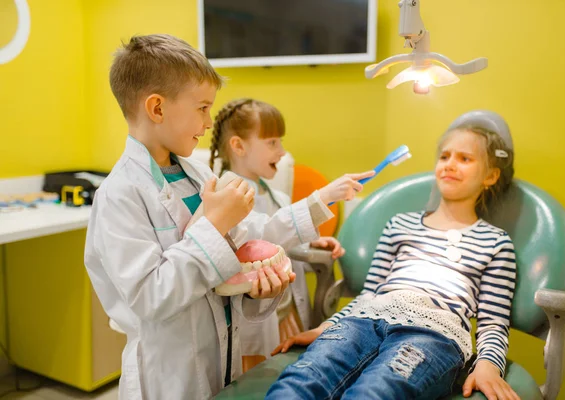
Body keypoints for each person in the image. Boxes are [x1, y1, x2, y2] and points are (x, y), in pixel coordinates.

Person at [83, 34, 373, 400]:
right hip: (166, 376)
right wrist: (213, 225)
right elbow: (151, 296)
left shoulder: (200, 177)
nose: (208, 123)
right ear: (157, 109)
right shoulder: (119, 195)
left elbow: (252, 239)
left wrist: (258, 288)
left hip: (222, 358)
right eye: (202, 108)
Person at [266, 120, 520, 400]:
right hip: (362, 322)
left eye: (465, 159)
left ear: (491, 176)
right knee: (300, 381)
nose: (449, 164)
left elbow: (493, 322)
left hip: (433, 334)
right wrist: (329, 326)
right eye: (444, 156)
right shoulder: (400, 225)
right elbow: (370, 293)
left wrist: (488, 365)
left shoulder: (496, 243)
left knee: (377, 392)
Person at [209, 98, 345, 371]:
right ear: (238, 146)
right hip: (252, 324)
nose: (282, 152)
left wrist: (309, 245)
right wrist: (321, 200)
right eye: (272, 142)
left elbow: (280, 247)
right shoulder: (224, 198)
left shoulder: (278, 197)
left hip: (285, 315)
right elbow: (261, 235)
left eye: (280, 142)